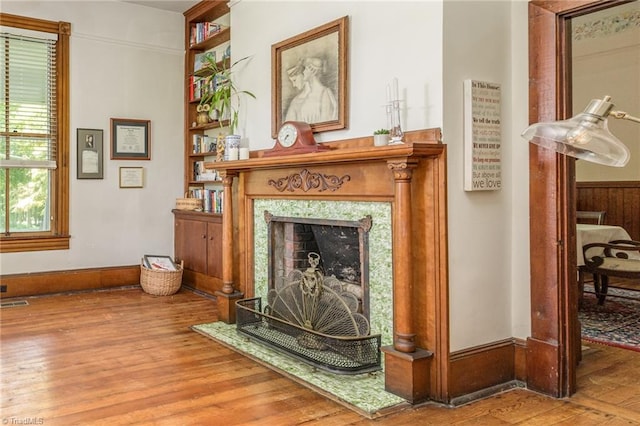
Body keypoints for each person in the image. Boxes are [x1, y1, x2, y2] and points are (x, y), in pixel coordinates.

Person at [284, 57, 337, 123]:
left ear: (313, 71)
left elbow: (327, 122)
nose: (303, 72)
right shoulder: (301, 99)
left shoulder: (325, 93)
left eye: (305, 69)